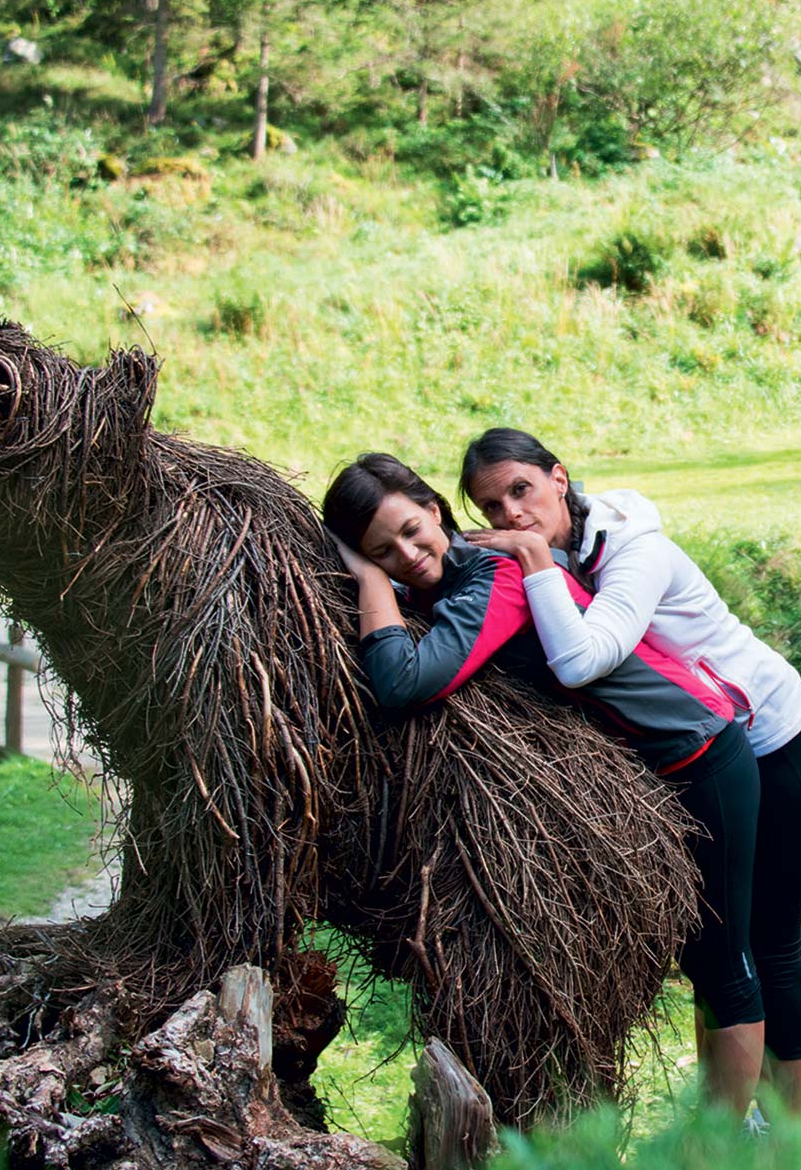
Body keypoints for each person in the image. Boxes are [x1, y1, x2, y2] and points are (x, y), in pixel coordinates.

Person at [322, 452, 771, 1114]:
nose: (409, 554)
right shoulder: (446, 581)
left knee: (720, 959)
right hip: (648, 770)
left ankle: (726, 1148)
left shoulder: (497, 578)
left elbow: (402, 682)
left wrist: (367, 579)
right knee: (699, 958)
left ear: (437, 510)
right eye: (381, 550)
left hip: (698, 755)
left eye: (413, 530)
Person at [456, 428, 801, 1115]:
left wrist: (535, 560)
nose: (510, 514)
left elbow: (582, 658)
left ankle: (790, 1129)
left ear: (559, 478)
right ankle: (736, 1119)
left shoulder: (636, 551)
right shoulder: (559, 553)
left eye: (522, 490)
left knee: (769, 942)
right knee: (717, 946)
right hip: (710, 751)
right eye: (492, 506)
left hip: (772, 736)